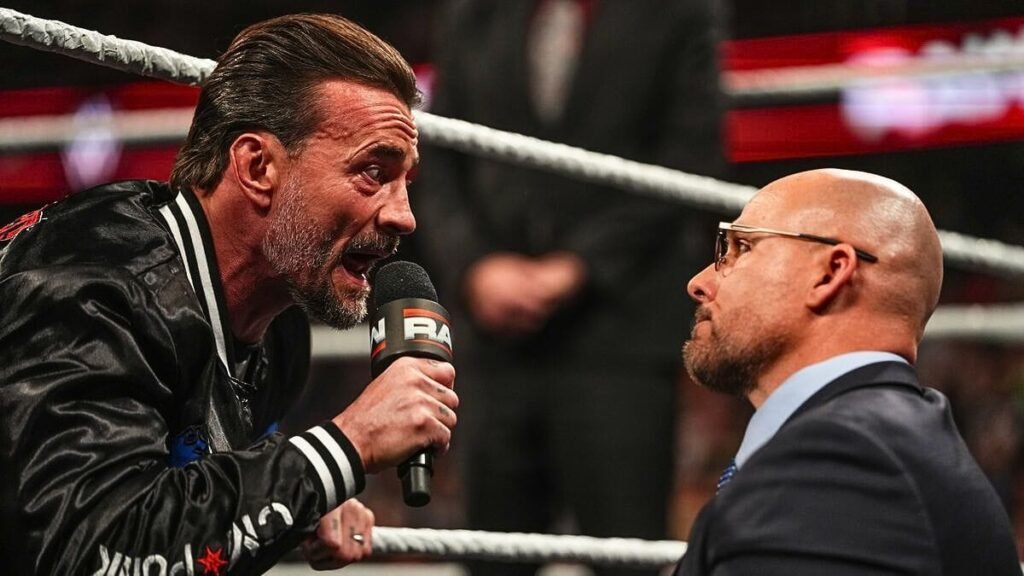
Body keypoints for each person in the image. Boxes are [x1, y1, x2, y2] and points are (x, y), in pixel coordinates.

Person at [0, 14, 459, 576]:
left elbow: (177, 495)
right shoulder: (86, 293)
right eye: (372, 171)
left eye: (405, 180)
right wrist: (342, 448)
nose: (404, 216)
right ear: (257, 167)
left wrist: (298, 491)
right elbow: (88, 552)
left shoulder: (278, 329)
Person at [413, 2, 723, 574]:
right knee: (492, 557)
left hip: (618, 331)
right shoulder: (475, 13)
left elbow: (689, 156)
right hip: (496, 339)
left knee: (625, 554)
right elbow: (438, 157)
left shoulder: (677, 12)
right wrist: (475, 268)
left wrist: (578, 267)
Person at [673, 169, 1020, 575]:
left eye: (741, 247)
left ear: (830, 272)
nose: (699, 283)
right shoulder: (886, 438)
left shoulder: (843, 459)